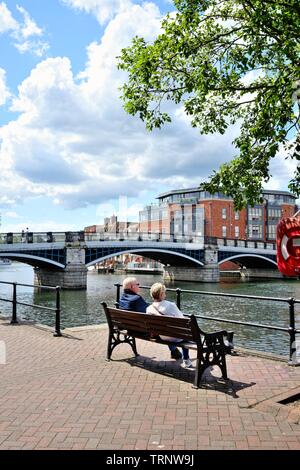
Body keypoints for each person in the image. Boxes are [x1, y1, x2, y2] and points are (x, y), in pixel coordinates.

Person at [119, 277, 182, 360]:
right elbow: (149, 312)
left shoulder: (122, 298)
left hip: (129, 328)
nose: (139, 286)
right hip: (141, 331)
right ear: (131, 287)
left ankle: (174, 351)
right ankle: (174, 351)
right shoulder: (136, 299)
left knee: (160, 324)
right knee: (163, 326)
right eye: (137, 284)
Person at [146, 282, 193, 368]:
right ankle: (186, 359)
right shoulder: (170, 305)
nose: (165, 294)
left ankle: (176, 352)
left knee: (173, 330)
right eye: (164, 292)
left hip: (163, 336)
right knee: (186, 333)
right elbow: (183, 320)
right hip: (176, 336)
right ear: (161, 294)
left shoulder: (149, 309)